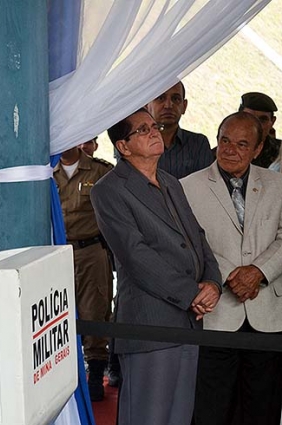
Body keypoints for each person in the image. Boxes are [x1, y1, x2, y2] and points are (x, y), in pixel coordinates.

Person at [91, 108, 222, 425]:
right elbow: (136, 256)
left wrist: (213, 283)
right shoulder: (108, 190)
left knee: (179, 416)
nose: (154, 132)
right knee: (147, 418)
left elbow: (197, 238)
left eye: (154, 126)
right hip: (149, 323)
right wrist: (192, 293)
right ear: (123, 146)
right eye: (142, 129)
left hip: (189, 322)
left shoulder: (170, 181)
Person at [181, 112, 282, 425]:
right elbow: (189, 244)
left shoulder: (278, 184)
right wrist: (230, 277)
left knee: (262, 408)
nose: (230, 150)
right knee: (212, 408)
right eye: (225, 140)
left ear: (257, 148)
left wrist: (259, 272)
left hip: (268, 315)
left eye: (242, 144)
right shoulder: (187, 187)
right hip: (216, 315)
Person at [53, 145, 113, 402]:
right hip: (55, 254)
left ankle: (96, 374)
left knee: (94, 311)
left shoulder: (100, 171)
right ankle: (60, 376)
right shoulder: (44, 172)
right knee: (56, 314)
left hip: (90, 251)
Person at [145, 81, 213, 178]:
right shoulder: (135, 143)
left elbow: (204, 186)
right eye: (160, 98)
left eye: (175, 99)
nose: (168, 105)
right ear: (147, 105)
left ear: (184, 106)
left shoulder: (198, 143)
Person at [238, 92, 280, 169]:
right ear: (237, 118)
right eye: (249, 118)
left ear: (272, 122)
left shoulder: (280, 153)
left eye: (262, 120)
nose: (255, 125)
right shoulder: (223, 153)